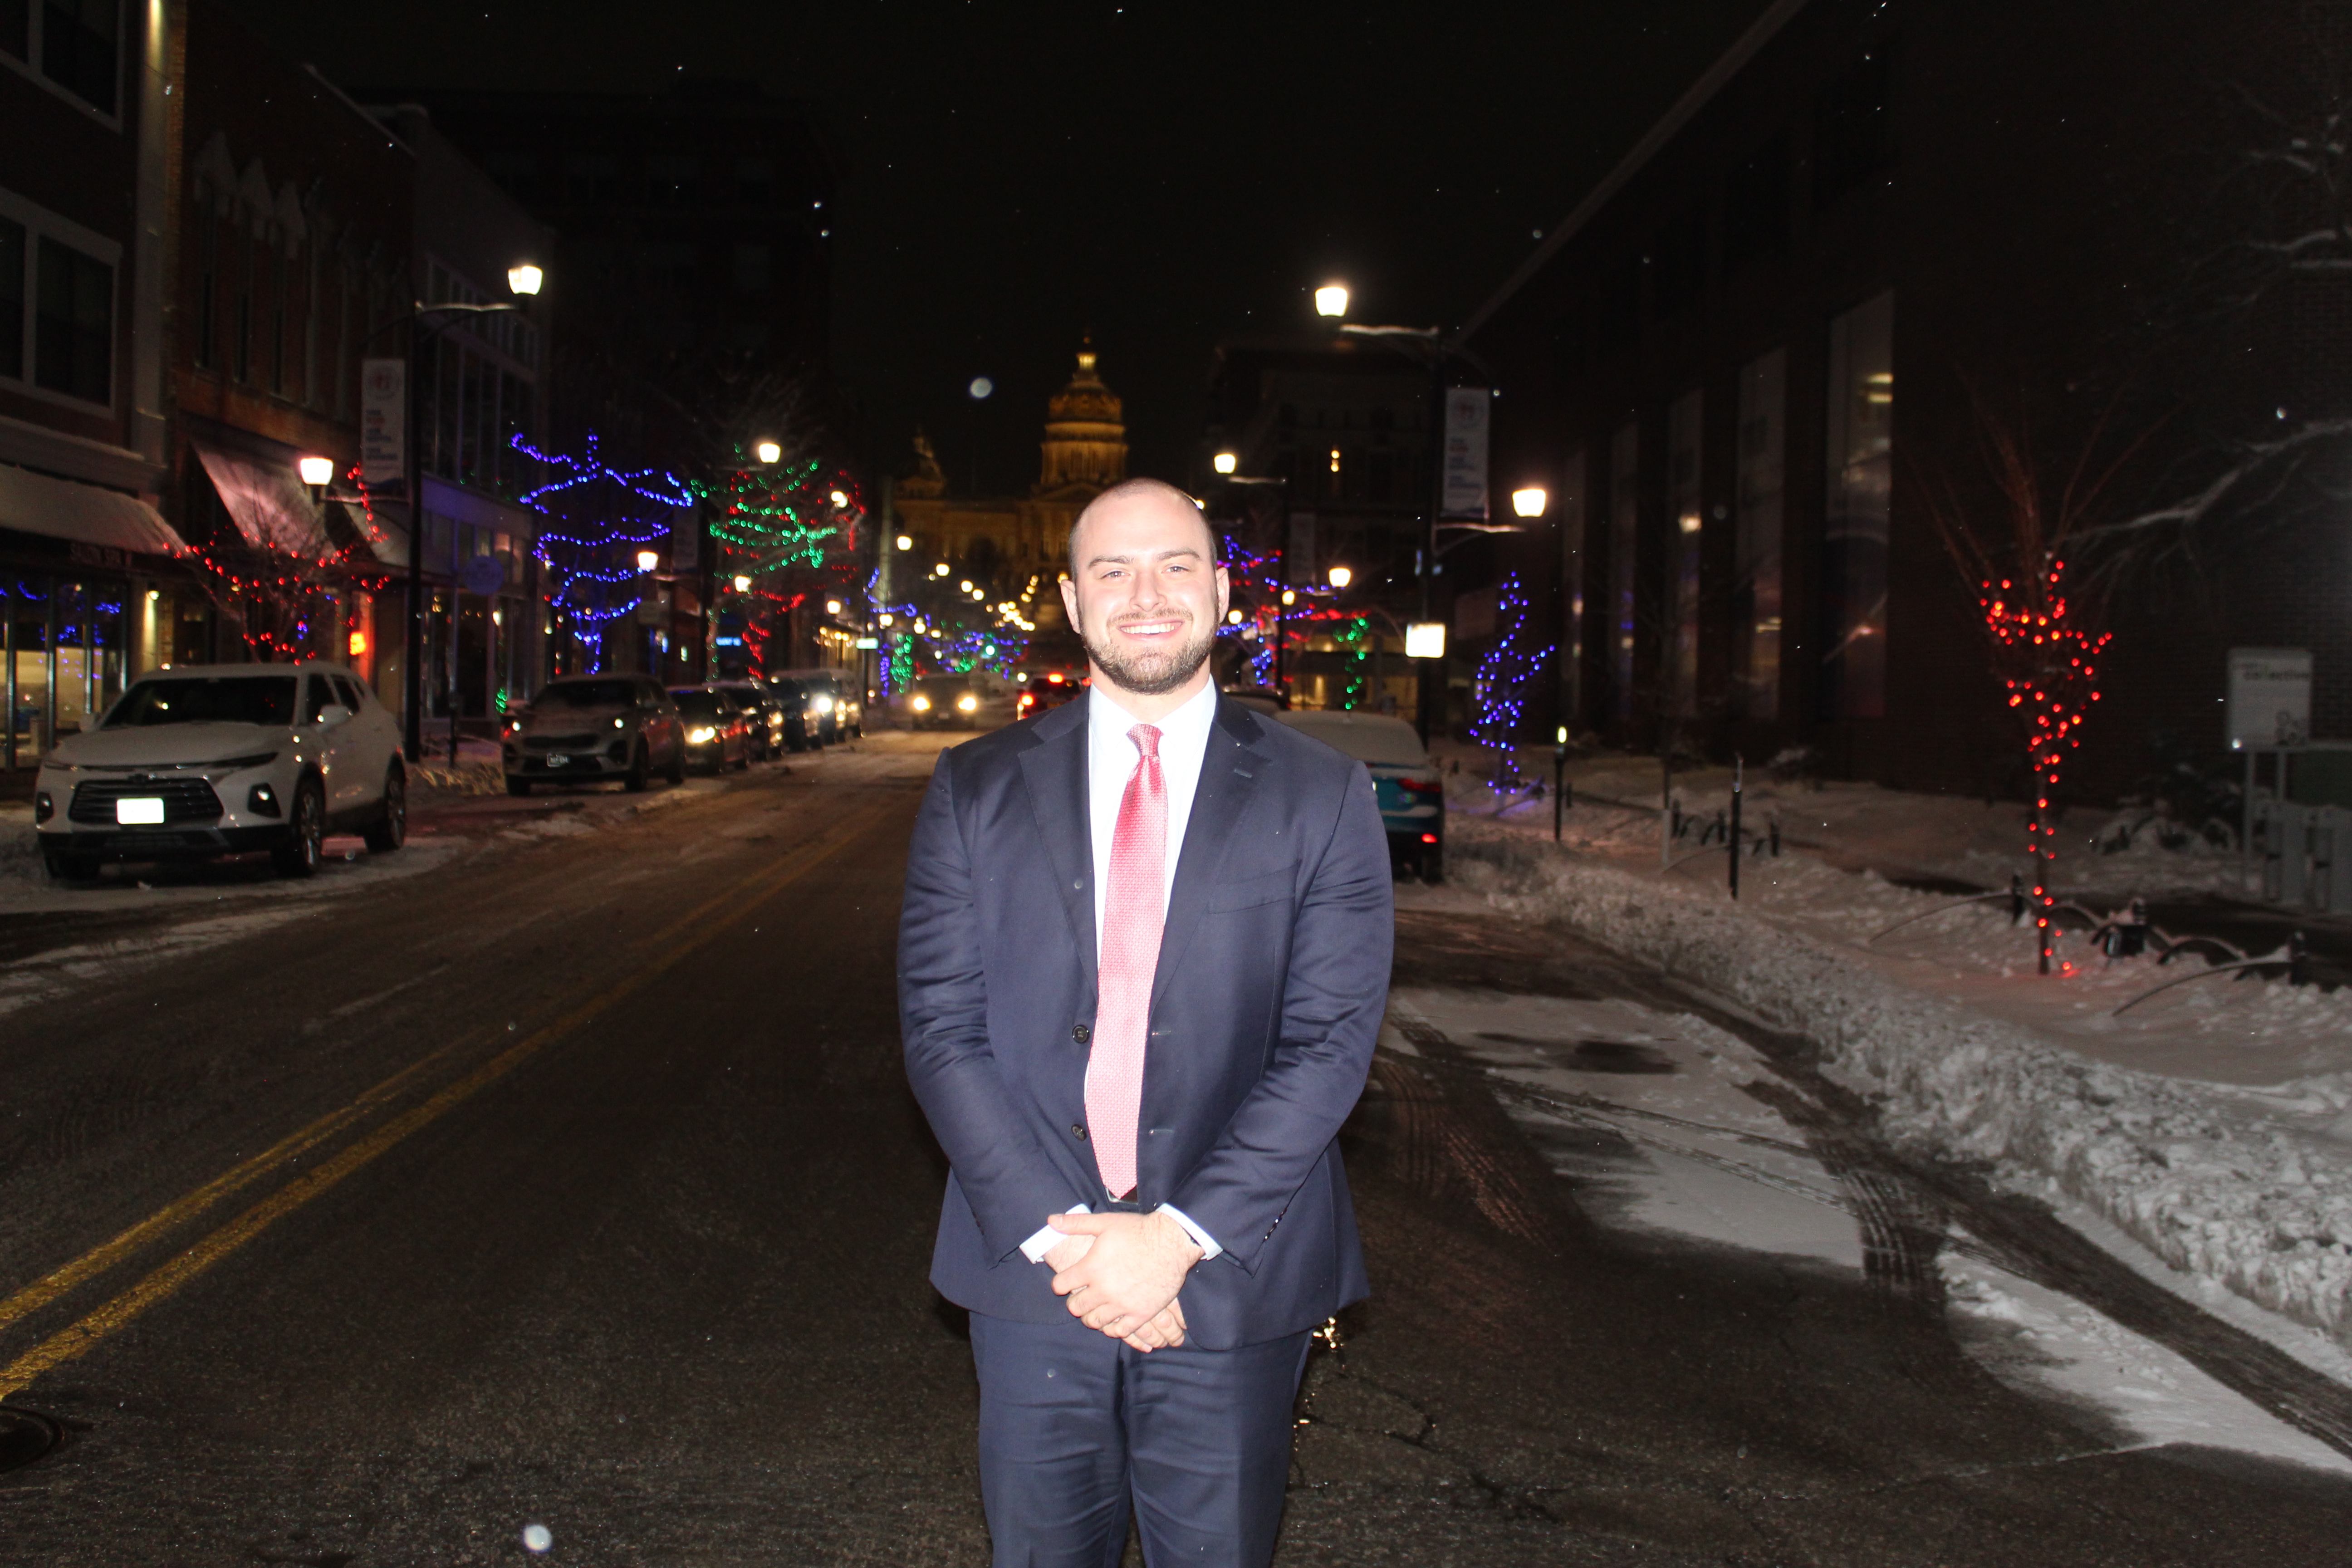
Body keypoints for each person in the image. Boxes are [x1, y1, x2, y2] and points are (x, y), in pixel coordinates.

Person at [899, 477, 1394, 1566]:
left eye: (1176, 565)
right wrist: (1063, 1241)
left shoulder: (1324, 794)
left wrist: (1174, 1239)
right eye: (1112, 571)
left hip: (1230, 1275)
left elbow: (1328, 1045)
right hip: (1035, 1274)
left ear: (1222, 591)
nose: (1147, 595)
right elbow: (942, 1029)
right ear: (1073, 602)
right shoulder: (974, 787)